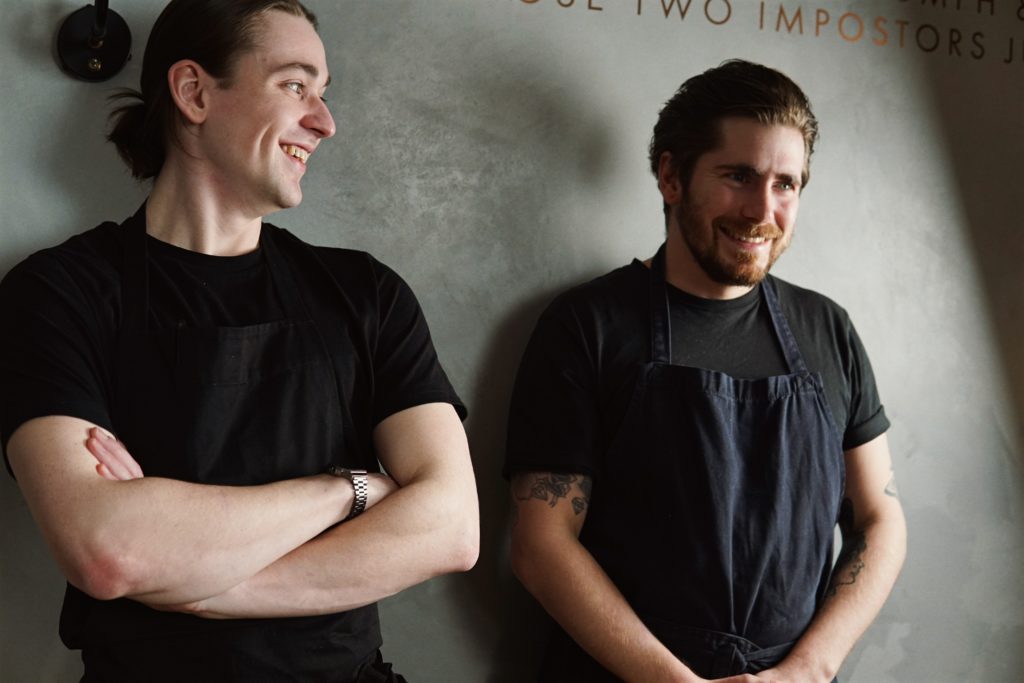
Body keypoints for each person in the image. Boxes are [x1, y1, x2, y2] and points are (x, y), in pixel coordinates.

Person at [0, 1, 478, 680]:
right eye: (295, 85)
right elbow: (107, 549)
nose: (325, 121)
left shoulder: (366, 294)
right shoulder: (59, 294)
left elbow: (452, 526)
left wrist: (204, 586)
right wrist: (348, 490)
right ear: (194, 92)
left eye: (323, 92)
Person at [504, 59, 906, 682]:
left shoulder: (829, 330)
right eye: (739, 176)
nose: (762, 210)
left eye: (785, 184)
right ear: (671, 175)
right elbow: (540, 544)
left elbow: (879, 518)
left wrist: (804, 671)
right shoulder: (588, 325)